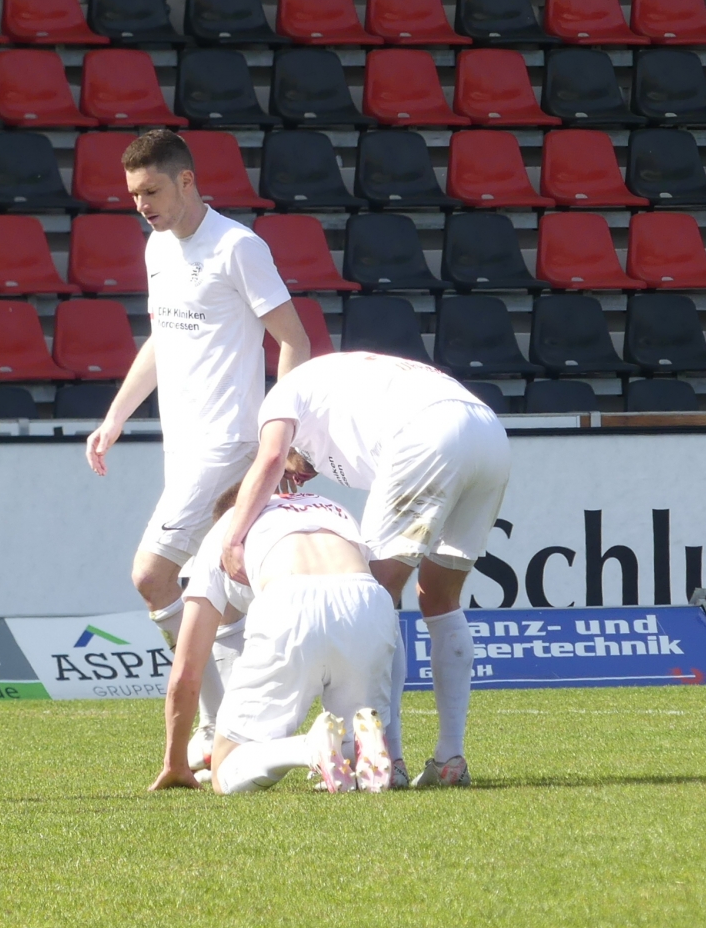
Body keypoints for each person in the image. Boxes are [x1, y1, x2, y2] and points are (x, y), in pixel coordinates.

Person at [83, 131, 312, 763]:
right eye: (133, 195)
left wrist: (283, 433)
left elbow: (294, 341)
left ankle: (216, 729)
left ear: (186, 181)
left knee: (151, 575)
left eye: (151, 191)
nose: (142, 205)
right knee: (223, 594)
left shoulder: (239, 247)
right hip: (181, 445)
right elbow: (163, 338)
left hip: (229, 442)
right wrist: (115, 417)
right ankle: (251, 732)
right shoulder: (157, 247)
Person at [218, 352, 511, 789]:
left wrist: (232, 538)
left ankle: (390, 760)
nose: (296, 483)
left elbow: (273, 454)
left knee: (374, 598)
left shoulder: (282, 395)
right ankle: (450, 758)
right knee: (440, 597)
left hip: (426, 432)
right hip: (488, 433)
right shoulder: (343, 381)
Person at [152, 484, 399, 795]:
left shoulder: (226, 528)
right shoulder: (331, 509)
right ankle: (366, 751)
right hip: (368, 598)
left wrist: (175, 763)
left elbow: (186, 671)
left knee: (224, 771)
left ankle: (309, 748)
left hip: (290, 599)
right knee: (354, 730)